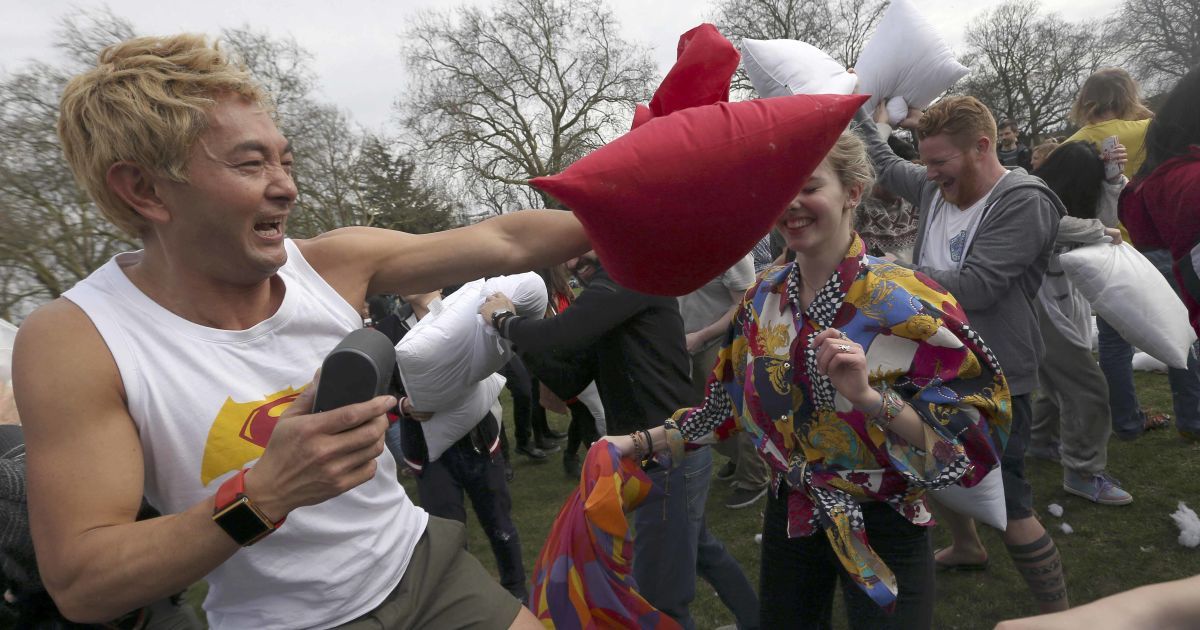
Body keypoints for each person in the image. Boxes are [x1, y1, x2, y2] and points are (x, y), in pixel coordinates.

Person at [12, 34, 589, 629]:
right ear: (145, 190)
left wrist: (651, 195)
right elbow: (84, 582)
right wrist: (263, 496)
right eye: (250, 162)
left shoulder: (331, 263)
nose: (286, 186)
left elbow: (508, 241)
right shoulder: (78, 340)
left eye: (284, 160)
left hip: (425, 569)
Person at [605, 130, 1011, 629]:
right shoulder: (762, 300)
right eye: (780, 192)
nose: (792, 204)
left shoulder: (908, 300)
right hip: (792, 510)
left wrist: (867, 397)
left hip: (886, 518)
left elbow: (969, 445)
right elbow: (725, 406)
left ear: (853, 192)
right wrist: (638, 441)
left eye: (811, 187)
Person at [853, 96, 1070, 612]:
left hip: (997, 371)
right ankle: (969, 546)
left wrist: (881, 271)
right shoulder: (936, 187)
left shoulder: (1023, 201)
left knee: (1008, 494)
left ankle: (1064, 616)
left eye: (940, 163)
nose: (929, 175)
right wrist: (855, 108)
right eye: (926, 163)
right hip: (936, 360)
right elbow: (886, 163)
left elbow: (976, 287)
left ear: (982, 147)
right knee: (937, 461)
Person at [480, 253, 760, 630]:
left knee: (662, 597)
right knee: (700, 552)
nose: (576, 258)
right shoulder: (611, 292)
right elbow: (569, 376)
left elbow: (560, 334)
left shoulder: (631, 275)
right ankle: (762, 619)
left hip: (666, 452)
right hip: (663, 451)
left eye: (585, 244)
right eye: (569, 251)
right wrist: (523, 343)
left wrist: (504, 320)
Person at [1068, 67, 1200, 441]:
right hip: (1157, 244)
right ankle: (1192, 417)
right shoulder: (1151, 130)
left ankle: (1125, 420)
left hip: (1106, 252)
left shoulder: (1072, 143)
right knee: (1182, 332)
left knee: (1113, 342)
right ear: (1127, 95)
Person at [375, 289, 529, 604]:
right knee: (447, 533)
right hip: (429, 453)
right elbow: (379, 388)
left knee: (500, 524)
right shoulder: (387, 331)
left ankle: (517, 592)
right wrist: (403, 405)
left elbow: (498, 355)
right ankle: (467, 602)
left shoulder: (467, 311)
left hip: (480, 442)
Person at [1028, 141, 1134, 504]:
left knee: (1060, 382)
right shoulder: (1031, 197)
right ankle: (1083, 471)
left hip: (1058, 300)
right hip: (1042, 306)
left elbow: (1106, 220)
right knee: (1088, 388)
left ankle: (1040, 440)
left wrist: (1111, 178)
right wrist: (1100, 232)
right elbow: (1054, 225)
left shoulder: (1058, 199)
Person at [1119, 64, 1200, 443]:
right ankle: (1192, 416)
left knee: (1177, 339)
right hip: (1157, 244)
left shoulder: (1159, 158)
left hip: (1138, 248)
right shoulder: (1183, 171)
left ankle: (1188, 418)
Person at [679, 253, 769, 510]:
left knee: (738, 408)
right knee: (705, 410)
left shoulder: (731, 250)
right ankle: (737, 459)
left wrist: (702, 335)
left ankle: (754, 478)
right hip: (688, 343)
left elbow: (743, 305)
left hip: (722, 341)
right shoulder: (676, 243)